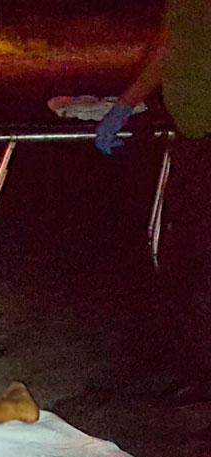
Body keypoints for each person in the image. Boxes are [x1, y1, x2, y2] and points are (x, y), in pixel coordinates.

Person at [95, 0, 211, 404]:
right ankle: (198, 369)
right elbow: (165, 49)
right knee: (184, 262)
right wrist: (125, 105)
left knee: (196, 264)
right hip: (194, 139)